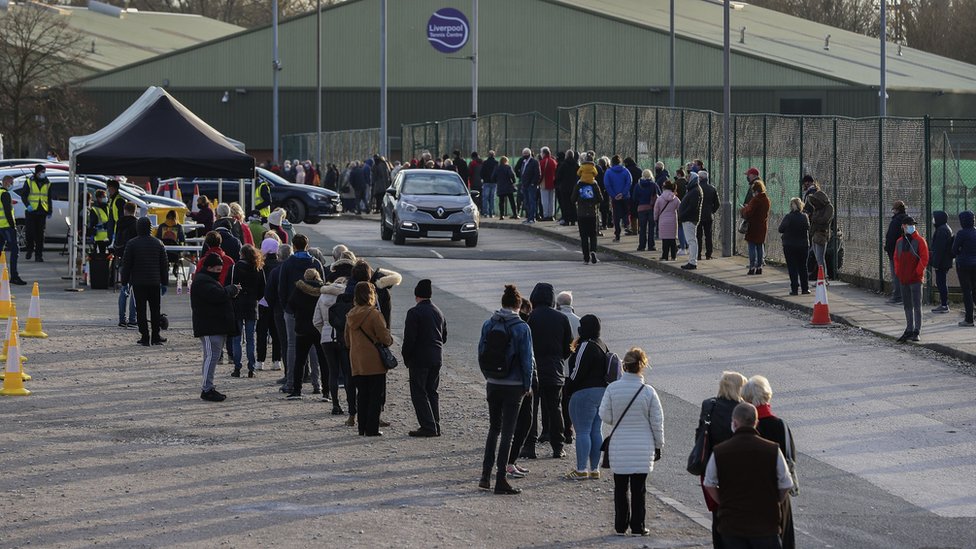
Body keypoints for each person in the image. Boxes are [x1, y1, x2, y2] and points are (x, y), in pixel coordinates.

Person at [703, 403, 793, 549]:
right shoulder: (772, 450)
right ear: (756, 423)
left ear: (735, 423)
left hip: (732, 525)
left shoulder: (720, 452)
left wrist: (723, 502)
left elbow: (709, 483)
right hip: (765, 525)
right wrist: (774, 501)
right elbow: (786, 483)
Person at [599, 347, 664, 537]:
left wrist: (616, 419)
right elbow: (657, 422)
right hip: (643, 446)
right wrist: (659, 445)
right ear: (642, 366)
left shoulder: (612, 389)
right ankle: (638, 526)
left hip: (620, 445)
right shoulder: (648, 392)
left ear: (624, 366)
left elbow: (604, 414)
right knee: (639, 489)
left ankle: (620, 525)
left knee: (620, 487)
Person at [478, 285, 534, 495]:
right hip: (513, 385)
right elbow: (527, 360)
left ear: (502, 304)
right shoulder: (522, 328)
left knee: (494, 429)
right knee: (508, 433)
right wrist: (527, 386)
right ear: (518, 306)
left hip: (493, 382)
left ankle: (485, 475)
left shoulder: (488, 323)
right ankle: (501, 479)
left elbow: (481, 351)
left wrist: (488, 376)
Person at [742, 376, 798, 549]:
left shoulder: (749, 426)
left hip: (752, 494)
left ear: (749, 400)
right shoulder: (780, 425)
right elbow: (790, 459)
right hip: (778, 493)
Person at [694, 371, 748, 549]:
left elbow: (701, 434)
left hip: (711, 464)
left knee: (718, 513)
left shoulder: (709, 405)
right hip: (736, 468)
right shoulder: (743, 410)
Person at [527, 282, 573, 458]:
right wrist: (559, 358)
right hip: (555, 369)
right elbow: (568, 346)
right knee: (555, 409)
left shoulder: (531, 318)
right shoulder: (561, 318)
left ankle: (529, 445)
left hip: (532, 368)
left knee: (531, 408)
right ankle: (557, 446)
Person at [345, 281, 394, 436]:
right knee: (375, 396)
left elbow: (346, 340)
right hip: (374, 361)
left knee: (362, 395)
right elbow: (384, 337)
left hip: (357, 361)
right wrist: (389, 341)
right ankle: (372, 428)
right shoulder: (374, 314)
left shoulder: (350, 315)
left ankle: (362, 428)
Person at [564, 314, 609, 479]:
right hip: (602, 393)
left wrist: (568, 388)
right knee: (596, 430)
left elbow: (576, 372)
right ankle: (595, 469)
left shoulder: (585, 345)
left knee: (582, 431)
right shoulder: (602, 345)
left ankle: (581, 469)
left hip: (584, 393)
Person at [279, 234, 325, 395]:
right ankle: (316, 383)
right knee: (315, 347)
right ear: (307, 245)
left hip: (293, 310)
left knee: (293, 346)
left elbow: (282, 288)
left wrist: (287, 308)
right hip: (315, 310)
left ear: (293, 245)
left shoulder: (287, 264)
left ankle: (291, 382)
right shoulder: (315, 263)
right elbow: (323, 286)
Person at [192, 254, 241, 402]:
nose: (219, 272)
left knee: (211, 357)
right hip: (209, 327)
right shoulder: (203, 281)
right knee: (211, 357)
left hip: (213, 325)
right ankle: (207, 389)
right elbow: (217, 296)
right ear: (209, 268)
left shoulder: (207, 279)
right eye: (217, 269)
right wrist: (230, 290)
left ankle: (208, 387)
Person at [402, 279, 447, 437]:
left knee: (419, 392)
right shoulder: (438, 312)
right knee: (432, 391)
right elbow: (444, 337)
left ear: (417, 296)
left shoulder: (414, 313)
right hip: (436, 357)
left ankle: (428, 426)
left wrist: (406, 357)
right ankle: (435, 424)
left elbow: (409, 339)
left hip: (419, 358)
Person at [119, 217, 168, 346]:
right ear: (150, 229)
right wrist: (165, 282)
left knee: (140, 310)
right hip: (154, 282)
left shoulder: (132, 244)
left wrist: (124, 282)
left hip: (138, 283)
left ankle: (145, 336)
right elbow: (164, 265)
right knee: (155, 310)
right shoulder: (158, 243)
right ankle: (156, 336)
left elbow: (126, 265)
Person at [313, 276, 355, 414]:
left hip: (326, 336)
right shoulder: (347, 296)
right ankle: (351, 405)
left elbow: (316, 320)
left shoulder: (323, 296)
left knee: (333, 371)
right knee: (347, 372)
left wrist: (324, 332)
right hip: (343, 336)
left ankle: (335, 405)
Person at [286, 268, 326, 399]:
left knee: (300, 361)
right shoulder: (323, 290)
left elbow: (290, 306)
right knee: (323, 361)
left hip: (302, 329)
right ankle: (326, 391)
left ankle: (297, 390)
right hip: (319, 329)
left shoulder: (299, 289)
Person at [230, 244, 265, 378]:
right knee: (251, 339)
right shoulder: (258, 268)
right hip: (251, 304)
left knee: (237, 339)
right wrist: (255, 298)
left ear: (242, 254)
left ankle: (237, 367)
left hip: (237, 304)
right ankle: (251, 367)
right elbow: (263, 289)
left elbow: (230, 285)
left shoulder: (235, 267)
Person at [893, 216, 929, 342]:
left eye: (912, 224)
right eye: (908, 224)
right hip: (904, 278)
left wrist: (917, 272)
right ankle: (909, 329)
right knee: (907, 305)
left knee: (917, 305)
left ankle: (916, 330)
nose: (911, 226)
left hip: (915, 279)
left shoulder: (920, 241)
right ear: (903, 226)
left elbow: (924, 258)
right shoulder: (899, 242)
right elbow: (896, 259)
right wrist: (899, 273)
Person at [556, 290, 581, 443]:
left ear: (558, 304)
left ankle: (559, 430)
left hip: (558, 366)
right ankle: (569, 429)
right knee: (569, 401)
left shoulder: (555, 319)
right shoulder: (579, 321)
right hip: (573, 368)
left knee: (557, 402)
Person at [256, 238, 281, 371]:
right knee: (276, 332)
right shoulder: (280, 264)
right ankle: (277, 360)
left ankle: (260, 361)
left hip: (263, 302)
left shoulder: (261, 265)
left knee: (262, 332)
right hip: (277, 303)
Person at [112, 202, 138, 326]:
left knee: (124, 288)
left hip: (123, 257)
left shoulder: (119, 223)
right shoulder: (137, 223)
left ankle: (122, 319)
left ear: (124, 210)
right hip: (135, 259)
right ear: (135, 210)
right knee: (135, 290)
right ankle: (133, 319)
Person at [779, 198, 811, 296]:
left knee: (792, 267)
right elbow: (808, 227)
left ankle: (794, 289)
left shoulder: (788, 217)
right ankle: (805, 288)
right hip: (803, 245)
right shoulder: (804, 217)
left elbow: (781, 229)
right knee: (803, 267)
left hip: (789, 245)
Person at [803, 179, 834, 276]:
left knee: (820, 258)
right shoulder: (818, 209)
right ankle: (821, 277)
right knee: (817, 257)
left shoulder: (829, 208)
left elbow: (824, 220)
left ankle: (823, 277)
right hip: (815, 234)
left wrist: (814, 218)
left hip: (822, 234)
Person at [741, 180, 771, 275]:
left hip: (753, 226)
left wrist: (744, 209)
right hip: (762, 225)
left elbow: (749, 213)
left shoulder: (755, 200)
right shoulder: (766, 200)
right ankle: (759, 266)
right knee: (760, 246)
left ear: (756, 191)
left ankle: (752, 266)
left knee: (752, 246)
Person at [24, 164, 52, 262]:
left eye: (44, 172)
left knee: (40, 235)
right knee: (30, 233)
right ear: (37, 172)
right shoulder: (29, 181)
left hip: (42, 211)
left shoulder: (48, 183)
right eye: (42, 172)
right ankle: (30, 249)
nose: (43, 174)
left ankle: (38, 255)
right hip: (31, 211)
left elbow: (49, 198)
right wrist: (27, 205)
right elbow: (24, 195)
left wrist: (49, 211)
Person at [884, 200, 910, 304]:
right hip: (904, 251)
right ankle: (902, 296)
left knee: (897, 275)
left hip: (895, 252)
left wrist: (888, 248)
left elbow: (891, 238)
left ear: (896, 210)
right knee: (902, 274)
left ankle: (898, 296)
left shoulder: (896, 221)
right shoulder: (906, 220)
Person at [954, 211, 976, 328]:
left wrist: (960, 252)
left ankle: (969, 319)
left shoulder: (962, 233)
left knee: (967, 291)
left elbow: (954, 249)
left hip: (963, 264)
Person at [604, 155, 633, 242]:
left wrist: (613, 194)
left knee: (616, 216)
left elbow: (607, 184)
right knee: (625, 212)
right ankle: (627, 225)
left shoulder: (609, 172)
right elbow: (629, 182)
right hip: (625, 196)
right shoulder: (625, 171)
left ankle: (617, 234)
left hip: (615, 197)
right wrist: (623, 193)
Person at [929, 211, 954, 314]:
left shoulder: (942, 230)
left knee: (941, 283)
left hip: (942, 262)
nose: (933, 220)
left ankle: (944, 304)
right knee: (941, 282)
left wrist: (936, 263)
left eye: (934, 217)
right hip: (944, 261)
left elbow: (939, 249)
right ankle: (944, 304)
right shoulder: (944, 228)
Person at [678, 172, 703, 270]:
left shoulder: (695, 191)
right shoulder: (693, 190)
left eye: (689, 177)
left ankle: (692, 261)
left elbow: (692, 206)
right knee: (692, 240)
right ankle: (692, 260)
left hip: (690, 218)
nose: (687, 179)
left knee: (691, 241)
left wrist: (683, 215)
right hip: (690, 218)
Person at [634, 169, 660, 252]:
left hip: (641, 208)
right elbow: (659, 195)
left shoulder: (638, 185)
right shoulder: (654, 185)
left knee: (642, 228)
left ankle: (641, 246)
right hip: (651, 208)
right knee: (651, 228)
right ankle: (651, 246)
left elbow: (634, 198)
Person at [655, 180, 680, 261]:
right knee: (672, 239)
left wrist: (655, 218)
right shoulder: (675, 198)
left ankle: (665, 256)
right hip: (672, 220)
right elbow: (680, 208)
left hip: (663, 220)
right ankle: (673, 256)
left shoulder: (660, 198)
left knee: (665, 240)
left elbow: (656, 210)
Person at [697, 170, 719, 260]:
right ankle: (708, 254)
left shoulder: (697, 188)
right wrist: (712, 211)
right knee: (708, 235)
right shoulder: (712, 189)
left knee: (698, 236)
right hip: (708, 215)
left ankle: (698, 254)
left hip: (698, 215)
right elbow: (717, 203)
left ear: (700, 178)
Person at [516, 148, 541, 223]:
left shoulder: (534, 162)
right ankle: (528, 217)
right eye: (523, 154)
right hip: (524, 184)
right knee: (526, 202)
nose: (524, 155)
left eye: (526, 154)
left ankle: (532, 218)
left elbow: (537, 173)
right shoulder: (524, 162)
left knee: (532, 201)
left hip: (531, 185)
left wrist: (533, 183)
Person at [556, 150, 579, 226]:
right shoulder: (576, 165)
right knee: (572, 204)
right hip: (574, 187)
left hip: (564, 187)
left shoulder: (563, 165)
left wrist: (559, 183)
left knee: (565, 204)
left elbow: (559, 176)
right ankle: (573, 220)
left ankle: (566, 220)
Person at [87, 190, 112, 255]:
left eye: (106, 196)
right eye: (103, 197)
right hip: (99, 238)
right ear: (98, 198)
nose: (105, 198)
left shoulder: (108, 207)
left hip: (110, 236)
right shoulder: (94, 209)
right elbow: (92, 224)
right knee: (101, 257)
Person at [539, 147, 557, 221]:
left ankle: (546, 215)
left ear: (543, 153)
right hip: (553, 183)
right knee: (551, 200)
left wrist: (538, 182)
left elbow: (541, 173)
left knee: (545, 200)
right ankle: (551, 215)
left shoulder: (542, 162)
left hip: (544, 183)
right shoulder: (554, 161)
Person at [480, 151, 498, 218]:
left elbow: (481, 173)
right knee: (492, 198)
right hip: (494, 182)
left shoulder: (485, 163)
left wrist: (483, 178)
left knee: (485, 198)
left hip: (486, 182)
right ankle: (492, 213)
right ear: (494, 155)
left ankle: (485, 213)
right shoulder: (496, 163)